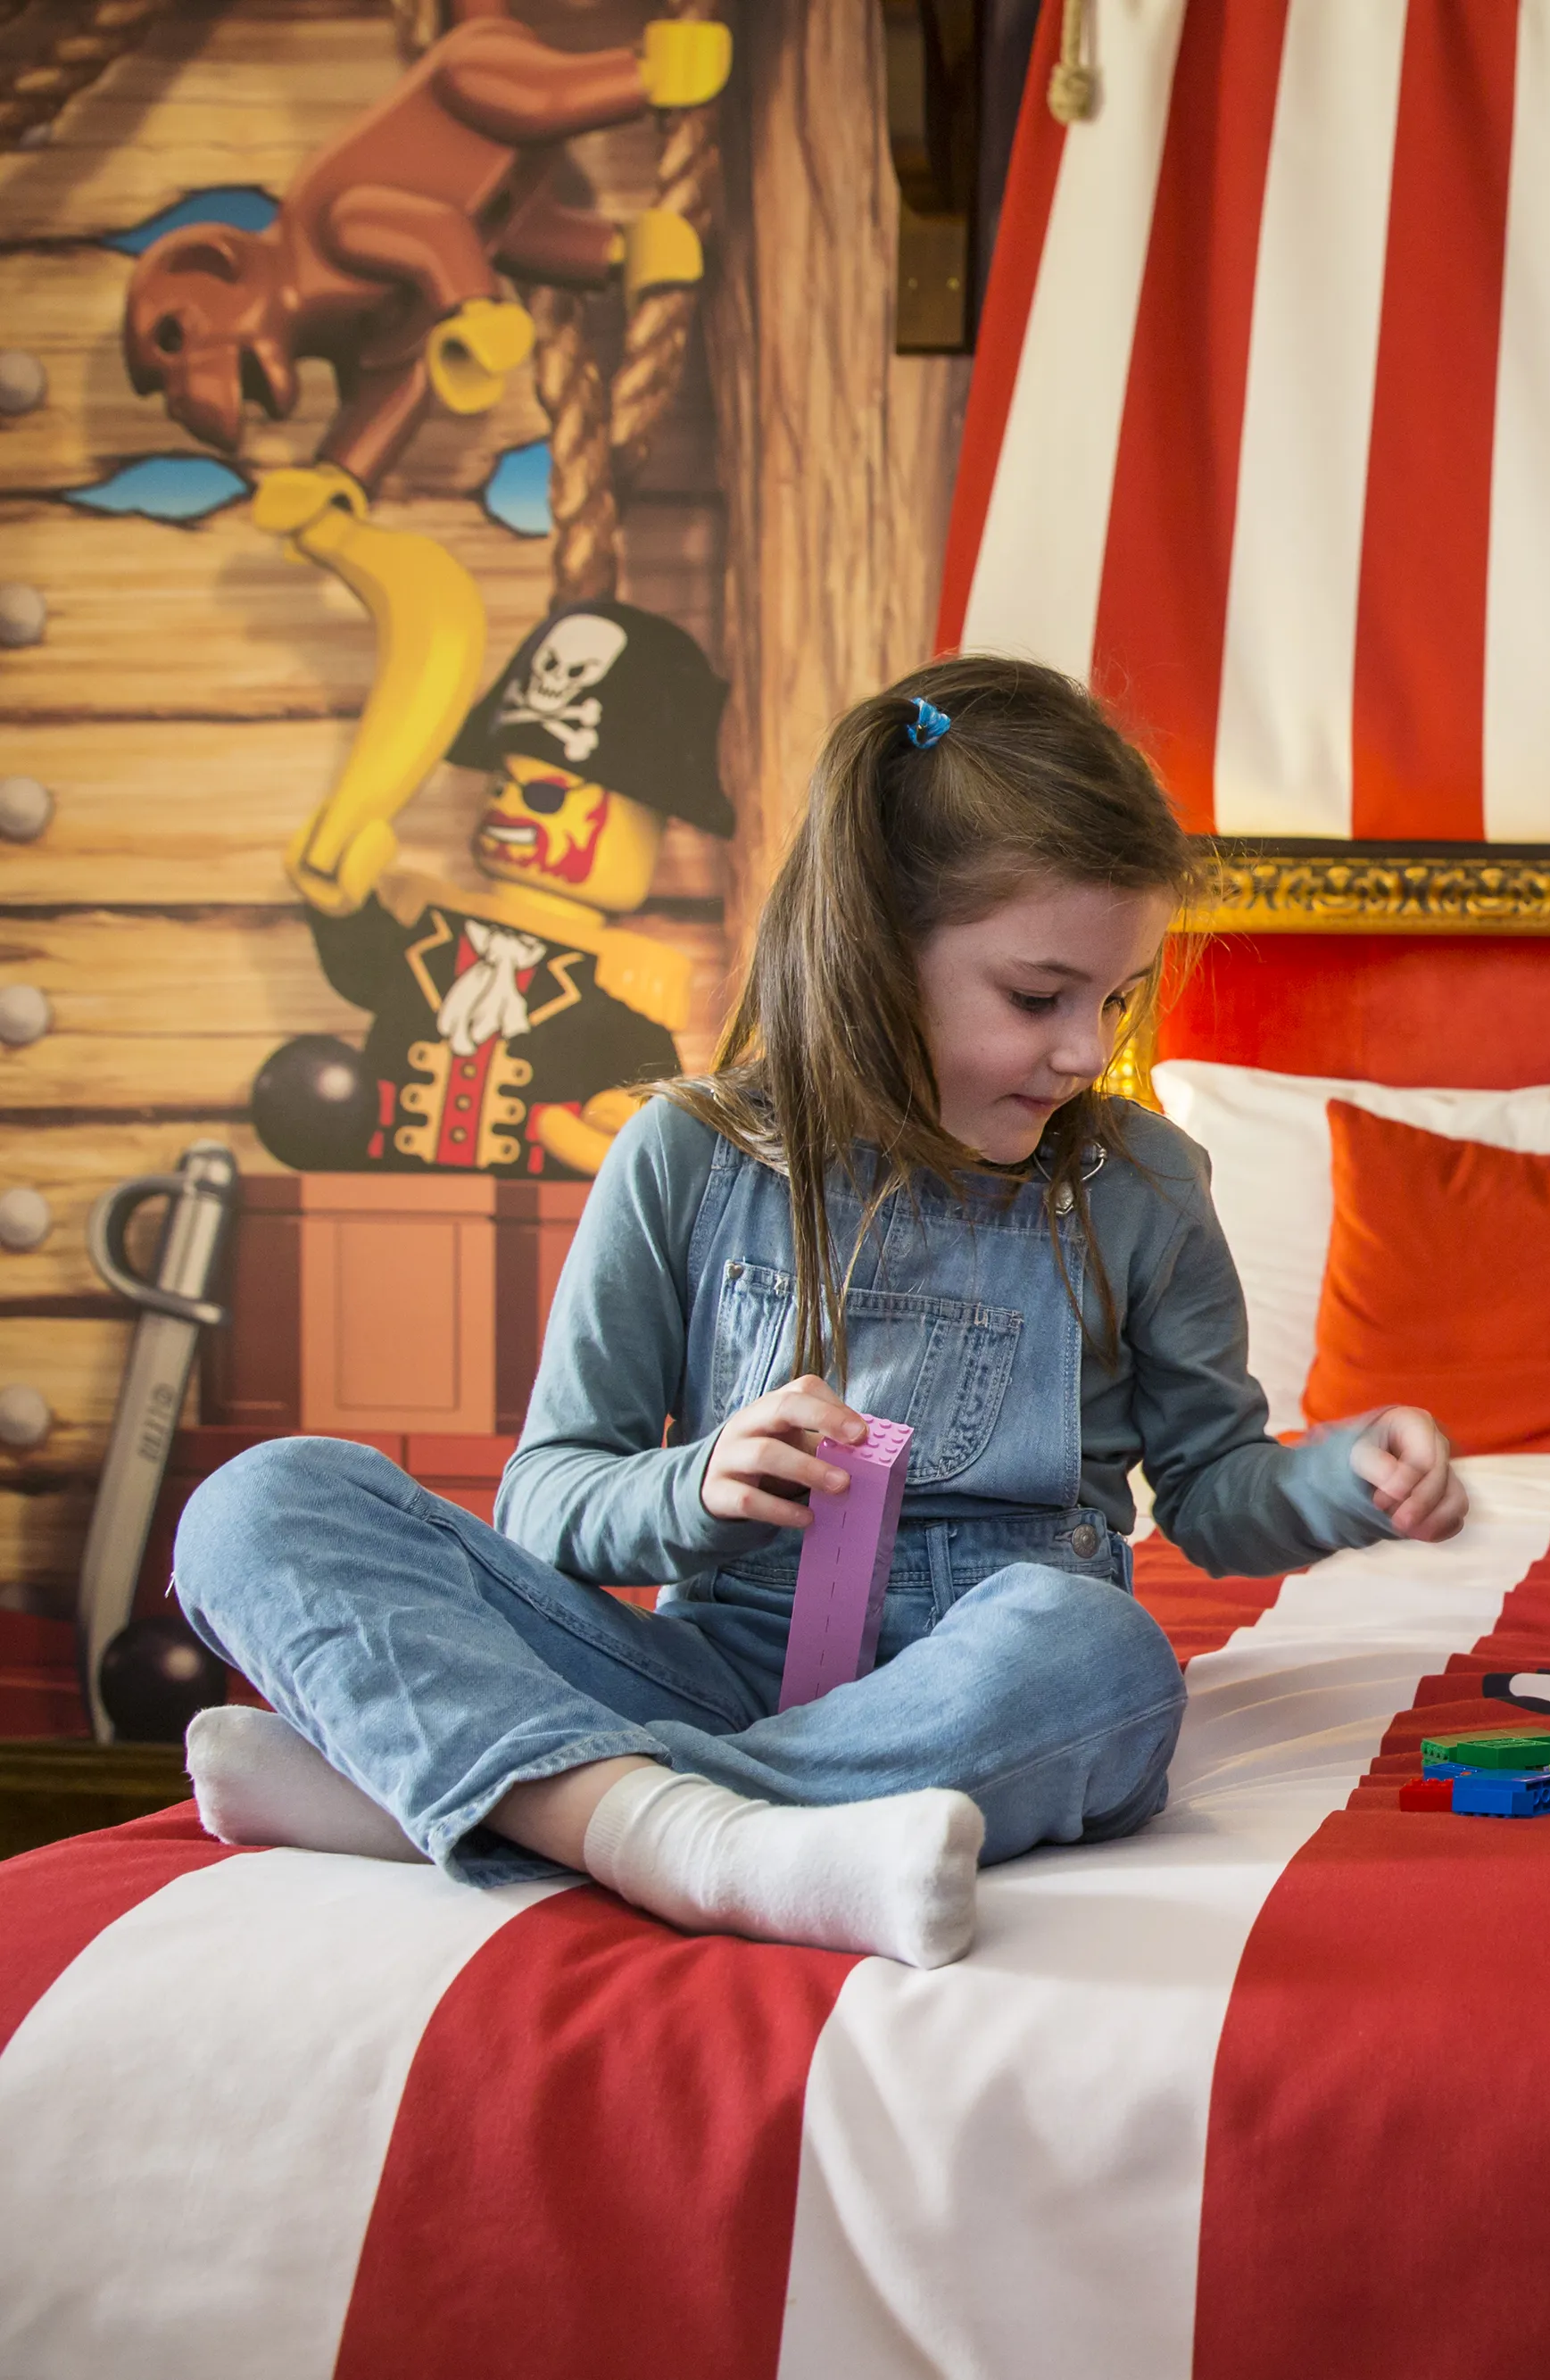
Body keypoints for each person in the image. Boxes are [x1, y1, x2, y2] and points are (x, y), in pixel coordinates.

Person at [172, 656, 1465, 1968]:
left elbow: (1214, 1487)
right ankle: (690, 1822)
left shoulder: (1136, 1183)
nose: (1088, 1050)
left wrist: (1342, 1476)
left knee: (1105, 1657)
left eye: (1117, 998)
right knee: (259, 1502)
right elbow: (549, 1500)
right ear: (873, 947)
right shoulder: (683, 1153)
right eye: (1037, 998)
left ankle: (538, 1797)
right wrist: (697, 1486)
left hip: (982, 1689)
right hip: (711, 1667)